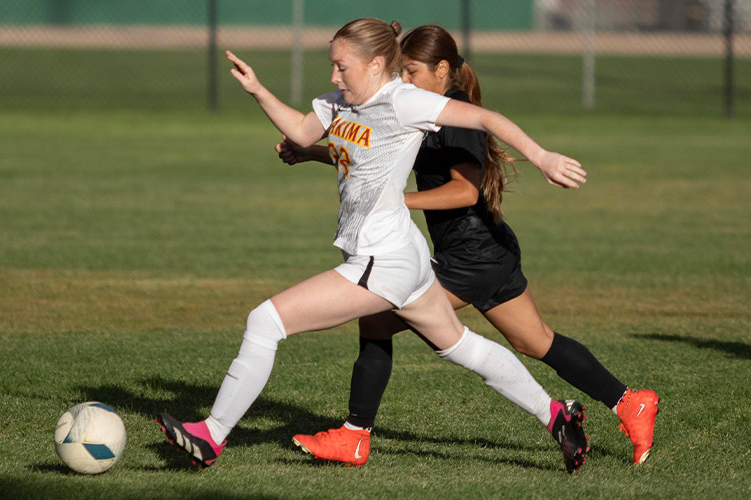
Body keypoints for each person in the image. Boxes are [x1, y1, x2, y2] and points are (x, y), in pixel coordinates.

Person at [156, 18, 591, 474]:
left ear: (376, 63)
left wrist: (542, 156)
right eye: (332, 66)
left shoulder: (403, 102)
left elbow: (484, 118)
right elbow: (304, 133)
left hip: (382, 261)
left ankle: (212, 435)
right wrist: (259, 91)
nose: (333, 76)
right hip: (406, 255)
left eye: (342, 67)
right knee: (461, 345)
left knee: (264, 321)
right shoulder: (339, 103)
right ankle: (556, 414)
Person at [280, 24, 658, 467]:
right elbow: (369, 157)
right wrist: (312, 153)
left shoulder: (453, 114)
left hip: (471, 255)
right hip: (490, 252)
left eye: (413, 71)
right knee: (536, 342)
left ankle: (355, 434)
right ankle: (630, 402)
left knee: (377, 322)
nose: (404, 80)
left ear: (443, 69)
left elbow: (465, 192)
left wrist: (395, 201)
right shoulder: (422, 107)